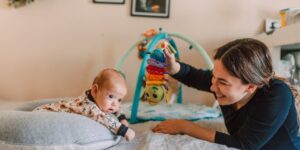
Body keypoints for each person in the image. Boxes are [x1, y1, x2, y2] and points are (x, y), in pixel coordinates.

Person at [152, 38, 300, 149]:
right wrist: (172, 67)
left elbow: (244, 145)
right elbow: (193, 76)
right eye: (214, 77)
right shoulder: (221, 83)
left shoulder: (277, 94)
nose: (212, 87)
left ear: (250, 87)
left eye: (222, 82)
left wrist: (185, 127)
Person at [33, 68, 135, 142]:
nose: (115, 104)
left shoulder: (99, 99)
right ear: (95, 90)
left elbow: (115, 109)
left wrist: (121, 117)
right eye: (111, 97)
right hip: (44, 115)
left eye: (119, 100)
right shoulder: (89, 107)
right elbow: (102, 118)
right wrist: (123, 130)